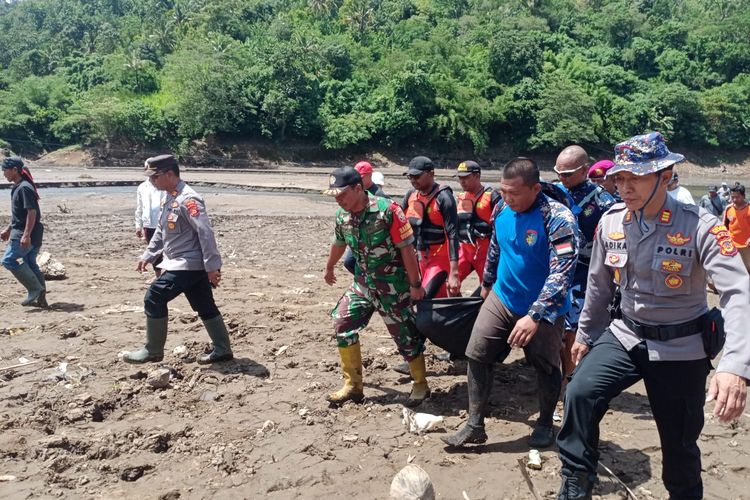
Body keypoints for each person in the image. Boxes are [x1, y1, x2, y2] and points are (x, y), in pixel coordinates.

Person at [556, 132, 750, 499]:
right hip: (626, 334)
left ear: (664, 175)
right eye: (620, 178)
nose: (624, 187)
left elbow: (739, 292)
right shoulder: (612, 222)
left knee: (679, 447)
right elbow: (598, 287)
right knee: (580, 392)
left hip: (681, 346)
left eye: (635, 178)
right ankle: (576, 482)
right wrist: (584, 335)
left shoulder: (700, 226)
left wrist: (734, 366)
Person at [441, 157, 579, 449]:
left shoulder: (557, 218)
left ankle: (544, 423)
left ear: (535, 188)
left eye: (514, 193)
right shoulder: (502, 207)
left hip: (544, 307)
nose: (507, 198)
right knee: (477, 353)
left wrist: (536, 315)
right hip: (503, 296)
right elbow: (496, 245)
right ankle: (474, 425)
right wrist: (487, 283)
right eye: (503, 191)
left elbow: (562, 273)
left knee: (545, 365)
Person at [323, 167, 430, 407]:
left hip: (393, 286)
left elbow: (407, 249)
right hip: (363, 285)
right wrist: (329, 267)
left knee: (405, 336)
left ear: (358, 188)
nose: (338, 200)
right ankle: (353, 385)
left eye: (341, 194)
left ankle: (421, 384)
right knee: (342, 322)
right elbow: (339, 242)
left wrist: (415, 285)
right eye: (335, 196)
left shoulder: (388, 210)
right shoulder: (343, 215)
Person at [123, 154, 233, 364]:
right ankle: (223, 349)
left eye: (154, 177)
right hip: (180, 261)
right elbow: (162, 230)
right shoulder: (169, 196)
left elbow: (205, 233)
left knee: (154, 295)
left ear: (170, 174)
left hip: (188, 263)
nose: (151, 181)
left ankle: (153, 349)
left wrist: (213, 267)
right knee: (204, 304)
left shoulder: (188, 199)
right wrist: (148, 254)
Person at [554, 146, 615, 379]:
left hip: (585, 272)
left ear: (584, 170)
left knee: (574, 328)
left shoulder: (603, 201)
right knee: (554, 326)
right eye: (559, 172)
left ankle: (571, 378)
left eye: (567, 174)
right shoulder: (552, 193)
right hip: (557, 267)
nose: (562, 178)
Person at [402, 156, 460, 298]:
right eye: (410, 177)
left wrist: (454, 272)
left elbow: (453, 234)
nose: (413, 180)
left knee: (424, 296)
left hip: (440, 259)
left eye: (417, 176)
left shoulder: (444, 197)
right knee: (438, 298)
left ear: (431, 173)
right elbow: (399, 224)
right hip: (420, 256)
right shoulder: (411, 195)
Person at [1, 156, 47, 307]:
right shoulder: (20, 187)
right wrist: (8, 228)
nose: (3, 174)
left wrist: (26, 235)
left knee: (8, 260)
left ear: (15, 170)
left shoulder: (24, 188)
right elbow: (19, 215)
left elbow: (32, 212)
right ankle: (41, 299)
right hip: (30, 233)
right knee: (30, 263)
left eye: (5, 170)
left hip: (25, 234)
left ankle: (34, 289)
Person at [454, 160, 501, 287]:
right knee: (451, 283)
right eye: (460, 178)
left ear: (477, 176)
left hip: (485, 251)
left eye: (466, 178)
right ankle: (460, 306)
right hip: (465, 250)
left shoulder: (492, 196)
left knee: (487, 288)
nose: (462, 181)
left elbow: (502, 226)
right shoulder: (461, 197)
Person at [135, 178, 165, 275]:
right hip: (148, 224)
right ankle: (158, 275)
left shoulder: (163, 185)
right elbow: (140, 207)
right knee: (153, 249)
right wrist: (138, 225)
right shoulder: (142, 187)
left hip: (164, 223)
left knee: (168, 249)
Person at [724, 183, 750, 273]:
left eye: (737, 197)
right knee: (732, 269)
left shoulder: (749, 208)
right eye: (732, 197)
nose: (734, 199)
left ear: (743, 196)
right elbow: (724, 227)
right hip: (731, 245)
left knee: (747, 269)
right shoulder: (728, 209)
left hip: (746, 247)